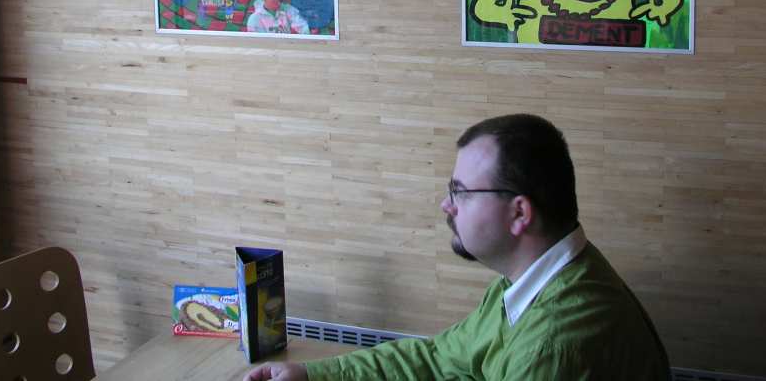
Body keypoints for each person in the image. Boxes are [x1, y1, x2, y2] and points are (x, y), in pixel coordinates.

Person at [244, 113, 670, 380]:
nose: (446, 205)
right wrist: (311, 375)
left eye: (461, 192)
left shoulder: (553, 346)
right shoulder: (528, 284)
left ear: (520, 213)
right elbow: (438, 357)